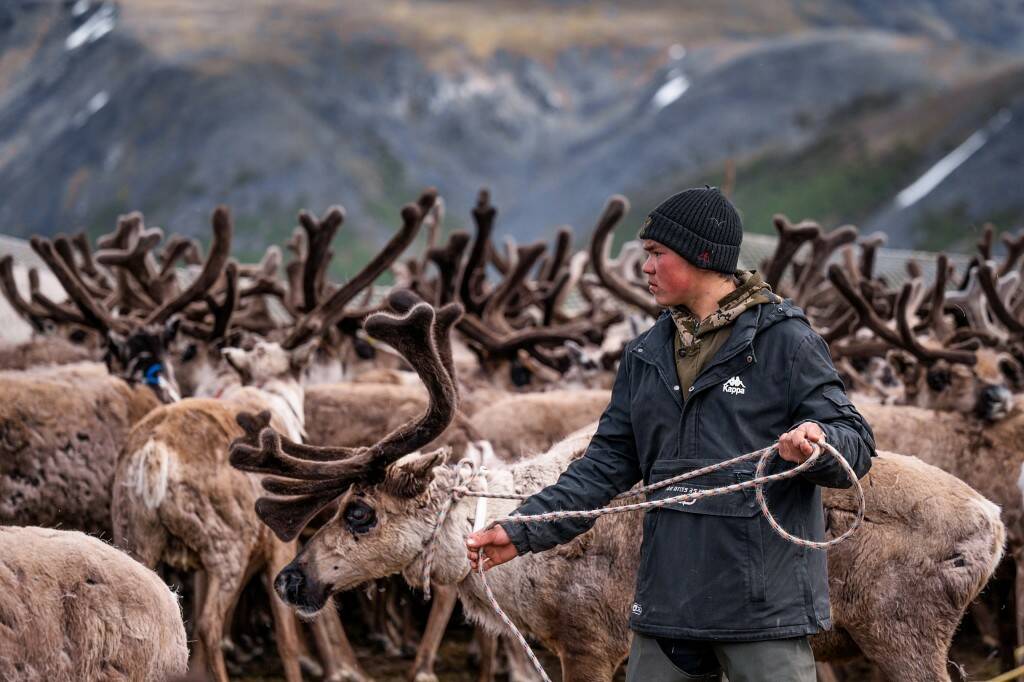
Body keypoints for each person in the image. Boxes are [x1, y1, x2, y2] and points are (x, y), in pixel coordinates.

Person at [465, 186, 876, 681]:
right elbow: (604, 465)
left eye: (658, 254)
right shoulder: (645, 354)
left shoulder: (786, 341)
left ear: (703, 256)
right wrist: (522, 528)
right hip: (669, 605)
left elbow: (854, 439)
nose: (646, 268)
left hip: (762, 608)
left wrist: (817, 444)